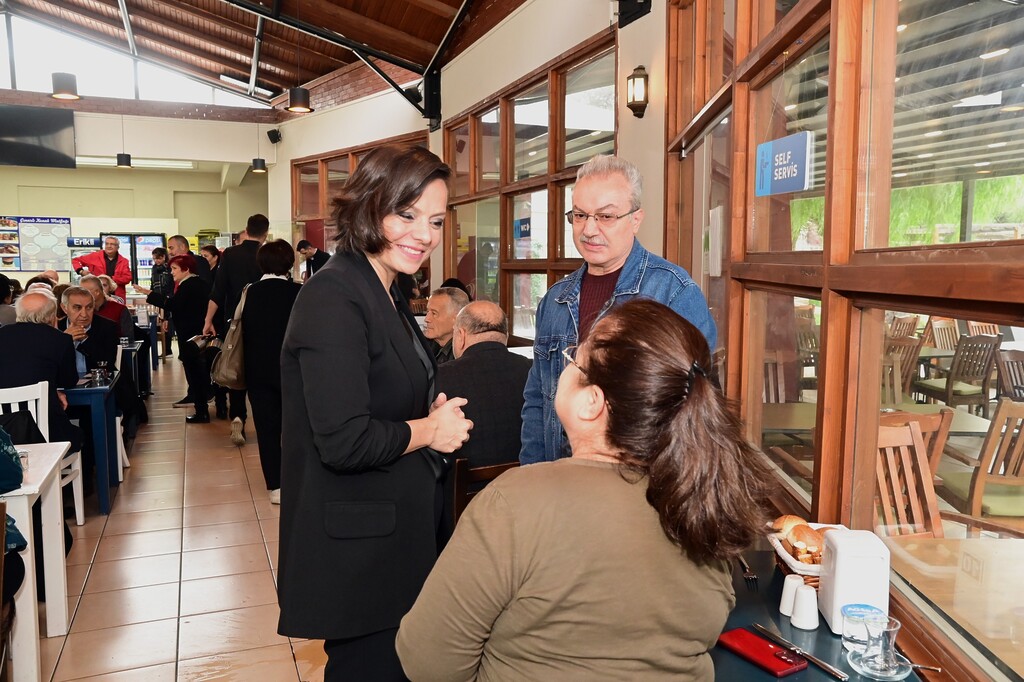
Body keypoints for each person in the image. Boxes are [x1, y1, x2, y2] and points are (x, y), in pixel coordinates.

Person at [398, 299, 772, 680]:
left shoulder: (514, 503)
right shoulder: (702, 502)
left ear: (591, 403)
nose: (564, 367)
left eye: (574, 360)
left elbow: (426, 659)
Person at [277, 144, 473, 681]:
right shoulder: (334, 296)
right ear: (368, 208)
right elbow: (343, 440)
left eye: (434, 220)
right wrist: (430, 429)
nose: (424, 234)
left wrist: (423, 409)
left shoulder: (387, 286)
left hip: (392, 533)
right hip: (359, 549)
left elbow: (377, 391)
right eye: (405, 215)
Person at [520, 155, 717, 464]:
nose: (589, 229)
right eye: (581, 215)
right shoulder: (555, 301)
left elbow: (696, 407)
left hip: (642, 486)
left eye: (606, 217)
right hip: (560, 482)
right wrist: (533, 476)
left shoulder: (673, 292)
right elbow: (536, 401)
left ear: (635, 219)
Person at [435, 301, 531, 468]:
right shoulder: (531, 370)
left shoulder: (441, 376)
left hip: (462, 489)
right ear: (505, 336)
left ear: (461, 335)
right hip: (524, 482)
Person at [241, 240, 301, 504]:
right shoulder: (298, 292)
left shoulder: (251, 292)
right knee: (295, 428)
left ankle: (275, 486)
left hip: (258, 371)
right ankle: (296, 479)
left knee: (266, 429)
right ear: (289, 263)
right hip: (293, 371)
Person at [203, 215, 269, 445]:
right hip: (263, 322)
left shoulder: (230, 255)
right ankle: (265, 423)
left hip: (235, 322)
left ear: (246, 230)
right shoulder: (266, 254)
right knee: (260, 371)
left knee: (236, 367)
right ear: (265, 233)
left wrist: (208, 320)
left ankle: (238, 416)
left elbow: (218, 290)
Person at [0, 291, 83, 453]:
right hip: (47, 433)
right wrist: (54, 389)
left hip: (4, 431)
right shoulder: (59, 339)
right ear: (52, 316)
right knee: (79, 433)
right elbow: (68, 381)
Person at [136, 255, 212, 423]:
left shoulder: (188, 285)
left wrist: (149, 294)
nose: (172, 273)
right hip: (198, 333)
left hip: (190, 335)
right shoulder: (200, 284)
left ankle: (202, 411)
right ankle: (212, 407)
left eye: (175, 269)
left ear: (186, 269)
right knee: (202, 372)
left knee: (195, 374)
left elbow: (174, 305)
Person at [423, 286, 469, 365]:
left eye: (434, 313)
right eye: (427, 312)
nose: (427, 319)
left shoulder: (466, 354)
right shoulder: (420, 345)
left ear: (457, 318)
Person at [79, 275, 133, 339]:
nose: (80, 295)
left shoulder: (119, 309)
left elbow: (128, 339)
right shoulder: (80, 311)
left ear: (97, 292)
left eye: (84, 292)